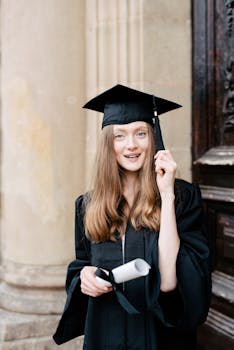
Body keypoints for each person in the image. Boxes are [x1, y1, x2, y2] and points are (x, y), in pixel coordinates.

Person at [53, 84, 211, 349]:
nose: (132, 145)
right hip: (106, 332)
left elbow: (171, 281)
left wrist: (167, 195)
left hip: (159, 335)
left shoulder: (182, 197)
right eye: (120, 136)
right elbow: (83, 263)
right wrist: (86, 277)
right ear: (108, 144)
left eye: (141, 133)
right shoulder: (87, 205)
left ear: (154, 138)